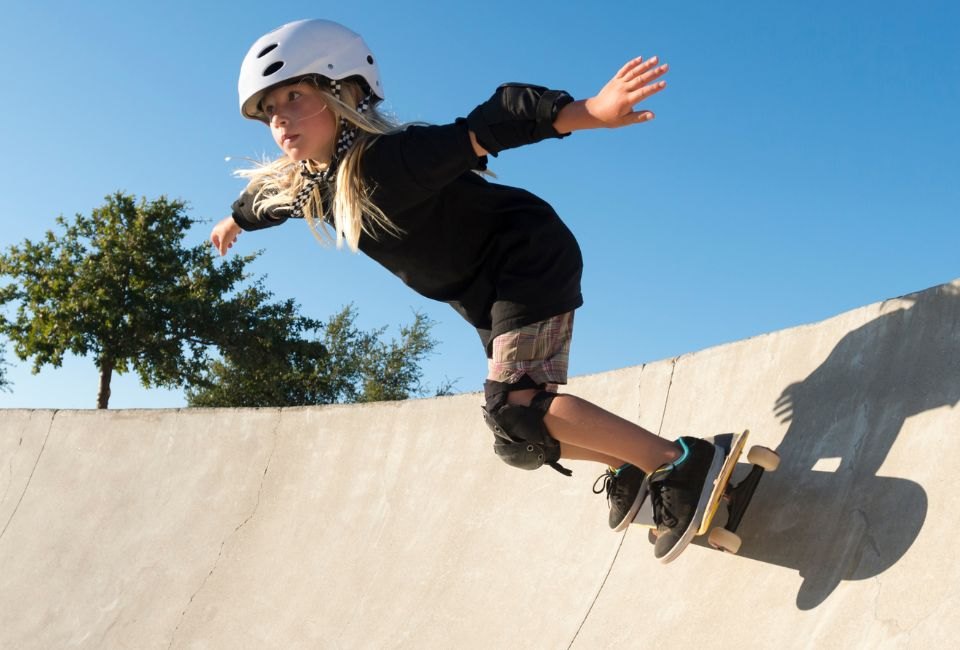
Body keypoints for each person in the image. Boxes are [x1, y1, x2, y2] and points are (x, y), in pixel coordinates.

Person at [210, 18, 723, 563]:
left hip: (525, 258)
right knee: (515, 439)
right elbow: (266, 202)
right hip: (487, 296)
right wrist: (233, 220)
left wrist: (588, 112)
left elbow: (487, 124)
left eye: (295, 95)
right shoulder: (313, 188)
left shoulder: (393, 158)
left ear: (343, 92)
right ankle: (631, 463)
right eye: (269, 110)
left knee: (518, 406)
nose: (281, 117)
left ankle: (678, 461)